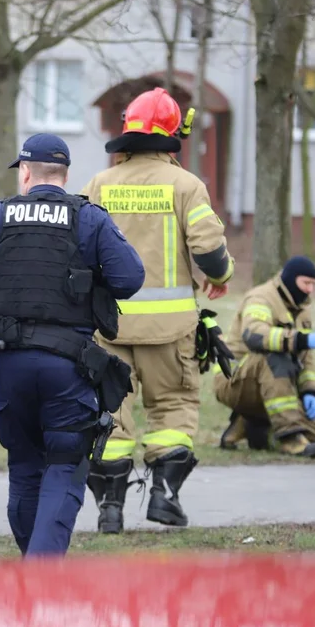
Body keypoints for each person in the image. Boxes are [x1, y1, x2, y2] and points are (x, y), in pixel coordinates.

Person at [0, 133, 145, 557]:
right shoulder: (88, 218)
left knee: (24, 469)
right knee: (64, 465)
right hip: (68, 366)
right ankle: (41, 574)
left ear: (25, 172)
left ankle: (32, 567)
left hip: (9, 364)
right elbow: (130, 278)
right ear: (66, 175)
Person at [79, 87, 233, 534]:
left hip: (109, 329)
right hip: (171, 331)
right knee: (171, 408)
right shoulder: (186, 186)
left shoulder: (99, 185)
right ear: (172, 132)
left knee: (112, 416)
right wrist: (219, 279)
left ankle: (110, 510)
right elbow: (209, 251)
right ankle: (165, 498)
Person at [213, 256, 315, 455]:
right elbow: (254, 335)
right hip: (233, 380)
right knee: (273, 357)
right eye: (306, 283)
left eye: (313, 284)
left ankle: (251, 424)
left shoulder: (302, 310)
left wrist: (309, 392)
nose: (310, 290)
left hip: (274, 381)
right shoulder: (260, 298)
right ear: (290, 279)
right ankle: (289, 437)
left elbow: (304, 358)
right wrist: (302, 339)